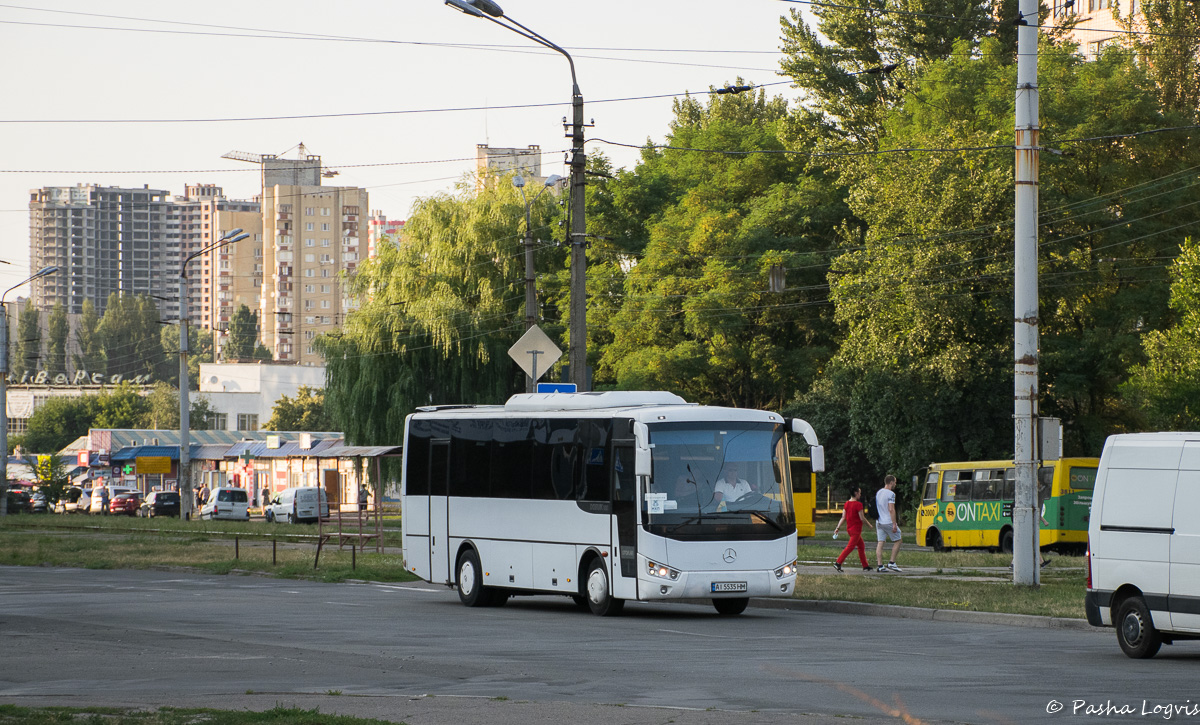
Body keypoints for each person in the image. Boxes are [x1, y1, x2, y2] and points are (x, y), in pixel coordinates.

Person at [832, 486, 873, 572]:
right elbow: (862, 518)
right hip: (856, 530)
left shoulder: (847, 503)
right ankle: (838, 563)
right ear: (856, 493)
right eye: (859, 493)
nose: (860, 494)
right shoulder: (858, 505)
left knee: (861, 546)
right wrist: (869, 525)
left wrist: (837, 528)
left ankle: (865, 566)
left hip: (850, 529)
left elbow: (843, 517)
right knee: (850, 547)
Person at [874, 475, 903, 572]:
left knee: (880, 542)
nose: (895, 484)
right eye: (895, 482)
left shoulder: (879, 492)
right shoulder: (891, 494)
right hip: (888, 521)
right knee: (898, 540)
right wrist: (894, 523)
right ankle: (892, 562)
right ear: (891, 482)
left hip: (879, 521)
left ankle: (880, 565)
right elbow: (891, 509)